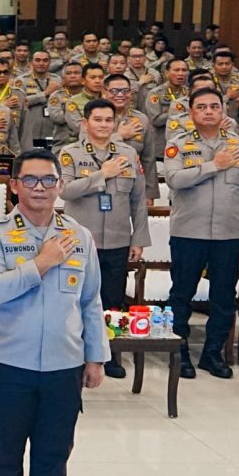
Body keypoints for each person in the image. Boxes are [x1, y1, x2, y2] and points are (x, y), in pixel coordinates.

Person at [0, 149, 106, 476]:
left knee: (55, 445)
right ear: (14, 186)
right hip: (10, 361)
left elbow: (90, 300)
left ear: (60, 185)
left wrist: (96, 355)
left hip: (65, 361)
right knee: (6, 442)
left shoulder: (79, 236)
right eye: (30, 179)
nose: (40, 188)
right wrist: (42, 263)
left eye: (48, 180)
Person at [160, 87, 239, 379]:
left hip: (228, 233)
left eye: (214, 106)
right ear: (191, 113)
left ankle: (212, 353)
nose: (208, 111)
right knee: (182, 294)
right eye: (201, 107)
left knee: (224, 297)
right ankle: (178, 351)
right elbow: (175, 179)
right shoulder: (178, 144)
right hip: (188, 232)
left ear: (223, 111)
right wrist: (213, 166)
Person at [56, 100, 149, 374]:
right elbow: (65, 190)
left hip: (118, 240)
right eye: (98, 120)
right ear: (85, 123)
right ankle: (75, 354)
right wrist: (102, 175)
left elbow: (138, 200)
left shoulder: (128, 154)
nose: (104, 125)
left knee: (112, 301)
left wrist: (138, 238)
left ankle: (109, 356)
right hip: (80, 243)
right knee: (77, 299)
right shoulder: (70, 153)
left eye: (109, 120)